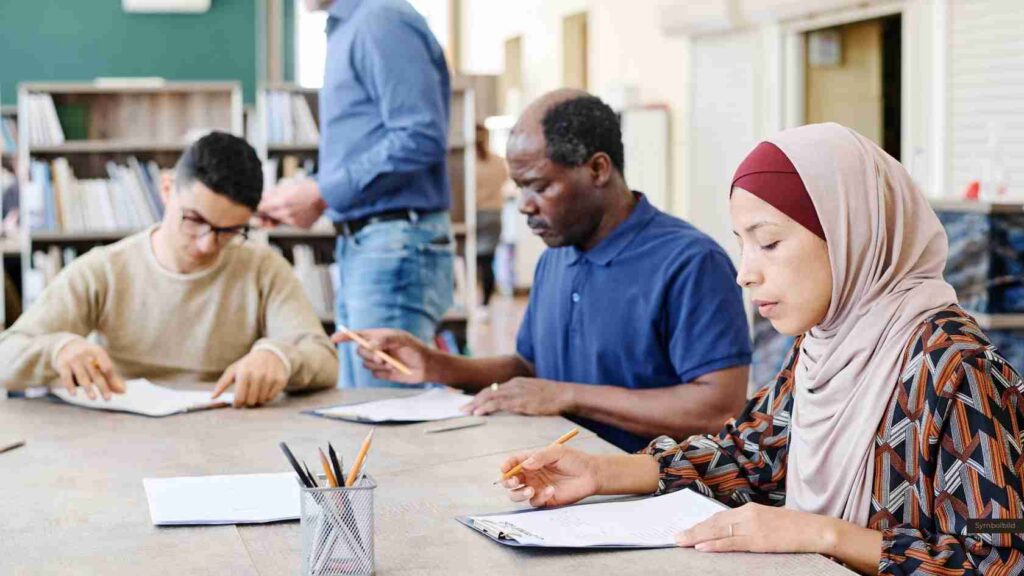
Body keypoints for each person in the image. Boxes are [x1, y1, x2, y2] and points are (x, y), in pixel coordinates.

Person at [497, 123, 1024, 575]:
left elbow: (1001, 555)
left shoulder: (958, 370)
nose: (746, 273)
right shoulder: (822, 346)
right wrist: (601, 473)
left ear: (849, 232)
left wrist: (823, 535)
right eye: (741, 242)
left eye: (768, 242)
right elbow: (755, 454)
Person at [336, 90, 752, 452]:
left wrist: (568, 396)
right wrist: (435, 365)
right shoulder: (557, 254)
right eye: (519, 188)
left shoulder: (691, 262)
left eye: (539, 185)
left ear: (598, 169)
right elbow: (531, 370)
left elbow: (717, 408)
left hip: (651, 495)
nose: (524, 204)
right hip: (557, 480)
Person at [0, 132, 338, 407]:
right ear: (166, 189)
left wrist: (280, 357)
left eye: (229, 231)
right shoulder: (104, 270)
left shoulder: (263, 269)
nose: (207, 244)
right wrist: (58, 349)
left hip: (227, 432)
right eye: (194, 220)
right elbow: (7, 356)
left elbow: (324, 359)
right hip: (119, 434)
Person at [258, 0, 454, 389]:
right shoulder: (352, 26)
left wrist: (322, 191)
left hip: (392, 243)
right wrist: (307, 193)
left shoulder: (380, 20)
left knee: (383, 412)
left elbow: (420, 136)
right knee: (365, 404)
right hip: (371, 243)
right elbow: (367, 144)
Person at [474, 123, 510, 316]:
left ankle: (468, 302)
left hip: (473, 214)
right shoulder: (497, 161)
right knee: (488, 261)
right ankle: (485, 306)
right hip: (494, 213)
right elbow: (506, 181)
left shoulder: (468, 162)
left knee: (470, 262)